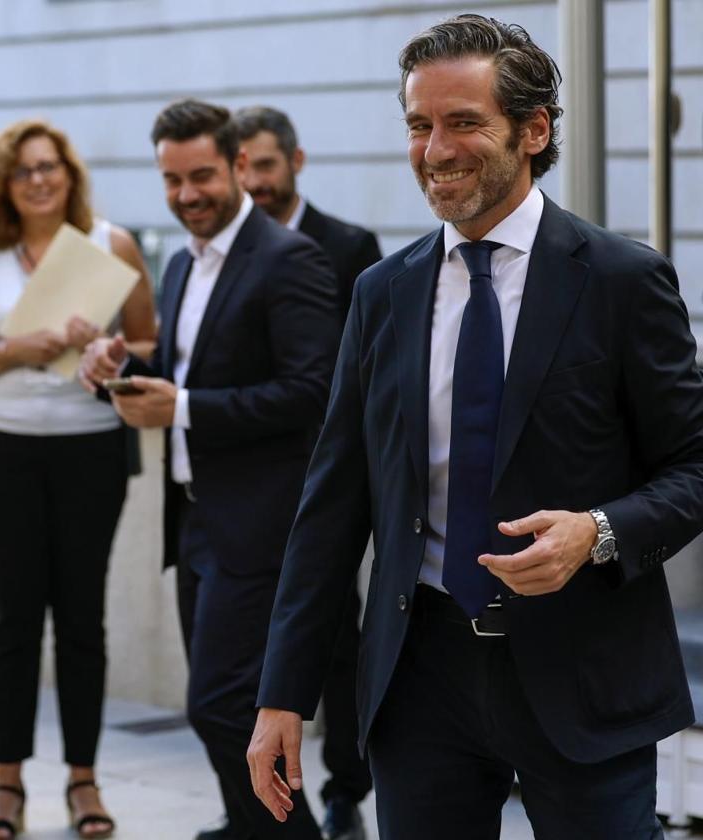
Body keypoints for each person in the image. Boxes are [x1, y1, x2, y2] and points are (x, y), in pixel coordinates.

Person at [248, 14, 703, 839]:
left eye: (464, 123)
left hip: (583, 672)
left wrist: (596, 532)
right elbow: (333, 501)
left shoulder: (621, 280)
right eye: (420, 125)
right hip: (420, 677)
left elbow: (695, 465)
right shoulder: (382, 292)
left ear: (533, 131)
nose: (435, 150)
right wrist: (283, 691)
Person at [80, 99, 343, 840]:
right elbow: (181, 369)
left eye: (201, 176)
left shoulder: (291, 259)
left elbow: (311, 392)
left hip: (261, 524)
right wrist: (121, 366)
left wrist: (185, 406)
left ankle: (292, 834)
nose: (187, 193)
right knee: (229, 705)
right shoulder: (179, 261)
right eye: (172, 180)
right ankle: (247, 821)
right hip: (195, 518)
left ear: (237, 167)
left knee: (224, 704)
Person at [0, 118, 156, 840]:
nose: (37, 180)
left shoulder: (111, 244)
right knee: (14, 617)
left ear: (70, 175)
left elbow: (152, 344)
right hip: (3, 450)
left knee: (82, 616)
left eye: (49, 167)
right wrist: (19, 346)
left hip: (91, 449)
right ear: (6, 182)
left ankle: (83, 779)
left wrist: (110, 347)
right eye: (23, 170)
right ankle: (7, 784)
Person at [233, 104, 380, 840]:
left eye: (266, 164)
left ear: (296, 161)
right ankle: (261, 800)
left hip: (328, 482)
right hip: (246, 484)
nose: (254, 180)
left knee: (338, 644)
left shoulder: (351, 247)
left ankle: (347, 787)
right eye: (244, 166)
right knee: (249, 657)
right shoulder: (223, 252)